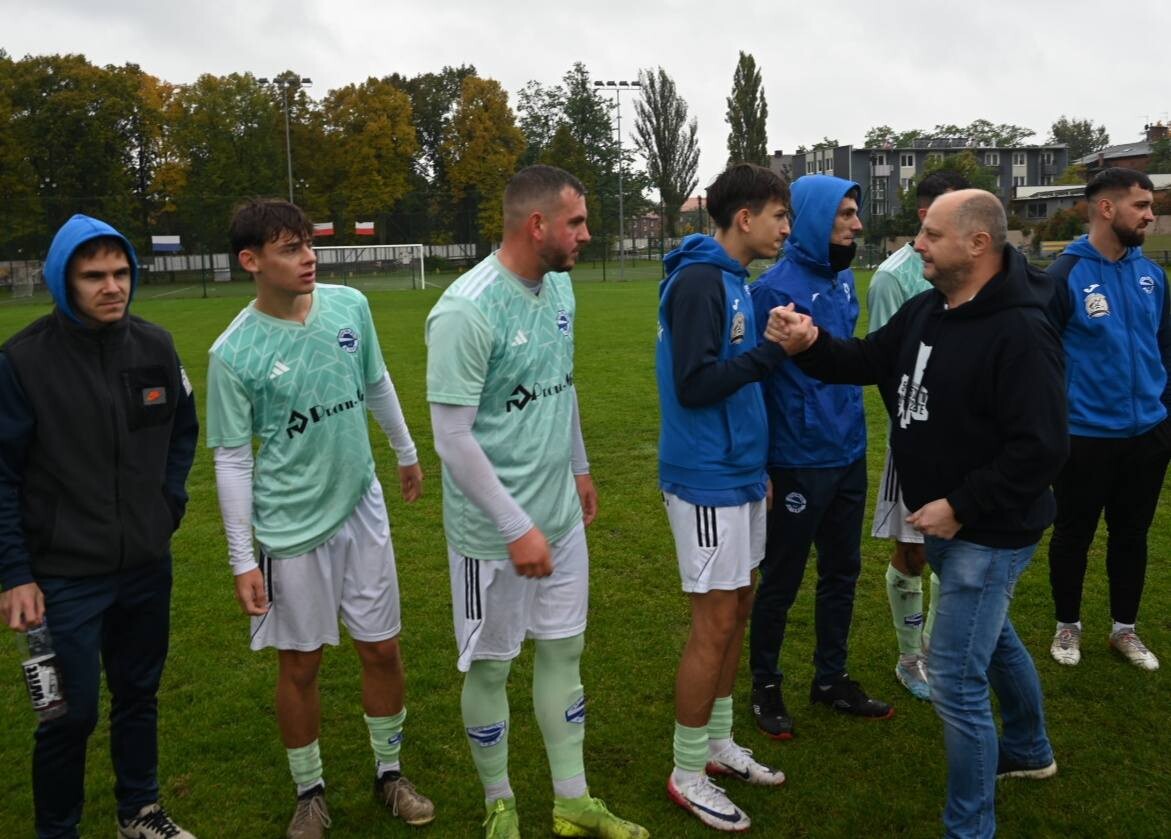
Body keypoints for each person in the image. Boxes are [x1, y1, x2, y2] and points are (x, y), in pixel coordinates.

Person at [771, 189, 1067, 839]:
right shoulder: (929, 307)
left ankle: (969, 827)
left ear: (978, 244)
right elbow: (866, 360)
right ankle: (1028, 747)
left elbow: (1042, 447)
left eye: (931, 234)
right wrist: (810, 341)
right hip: (946, 524)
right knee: (994, 639)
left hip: (988, 532)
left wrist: (961, 504)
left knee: (955, 679)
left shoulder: (1020, 331)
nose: (917, 244)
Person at [425, 165, 647, 839]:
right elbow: (451, 437)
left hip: (559, 521)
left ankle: (572, 800)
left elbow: (561, 381)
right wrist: (515, 524)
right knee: (491, 666)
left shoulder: (559, 287)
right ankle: (500, 803)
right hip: (493, 535)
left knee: (563, 652)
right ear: (536, 225)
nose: (587, 234)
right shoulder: (465, 310)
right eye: (576, 222)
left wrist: (579, 467)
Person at [206, 199, 433, 839]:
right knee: (300, 665)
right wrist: (242, 559)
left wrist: (405, 451)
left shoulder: (349, 307)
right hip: (290, 528)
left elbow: (376, 381)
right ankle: (310, 792)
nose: (308, 258)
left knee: (382, 648)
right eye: (289, 248)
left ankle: (390, 774)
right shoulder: (233, 353)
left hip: (361, 504)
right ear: (251, 261)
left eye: (308, 244)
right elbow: (232, 460)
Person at [0, 215, 199, 839]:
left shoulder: (157, 347)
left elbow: (183, 430)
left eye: (120, 273)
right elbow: (1, 475)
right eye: (93, 276)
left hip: (145, 567)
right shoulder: (21, 362)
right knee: (65, 713)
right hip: (60, 579)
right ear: (63, 280)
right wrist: (14, 573)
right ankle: (57, 830)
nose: (112, 287)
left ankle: (139, 812)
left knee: (138, 695)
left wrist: (166, 506)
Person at [657, 163, 792, 832]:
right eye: (778, 216)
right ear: (744, 217)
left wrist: (756, 463)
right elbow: (694, 385)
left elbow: (732, 381)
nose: (786, 229)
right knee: (712, 622)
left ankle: (716, 741)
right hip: (705, 476)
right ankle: (686, 771)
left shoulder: (734, 280)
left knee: (737, 608)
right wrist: (771, 352)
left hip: (739, 473)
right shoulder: (699, 281)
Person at [747, 174, 891, 740]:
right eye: (845, 214)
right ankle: (765, 684)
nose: (857, 224)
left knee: (842, 571)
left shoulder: (844, 280)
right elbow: (755, 384)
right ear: (812, 218)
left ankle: (830, 679)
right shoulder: (771, 290)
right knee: (781, 578)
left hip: (848, 451)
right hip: (797, 459)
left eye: (856, 213)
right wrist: (762, 466)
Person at [1046, 167, 1170, 671]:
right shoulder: (1064, 275)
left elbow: (1164, 349)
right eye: (1141, 205)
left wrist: (1164, 418)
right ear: (1105, 208)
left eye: (1150, 205)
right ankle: (1067, 625)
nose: (1150, 215)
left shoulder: (1153, 276)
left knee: (1132, 534)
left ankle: (1124, 630)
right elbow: (1041, 360)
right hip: (1084, 434)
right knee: (1073, 534)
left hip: (1148, 434)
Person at [867, 171, 970, 701]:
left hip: (970, 448)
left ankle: (936, 650)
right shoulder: (894, 278)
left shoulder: (979, 269)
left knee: (960, 554)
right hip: (915, 446)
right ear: (925, 215)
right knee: (914, 553)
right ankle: (911, 658)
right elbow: (887, 369)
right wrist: (915, 439)